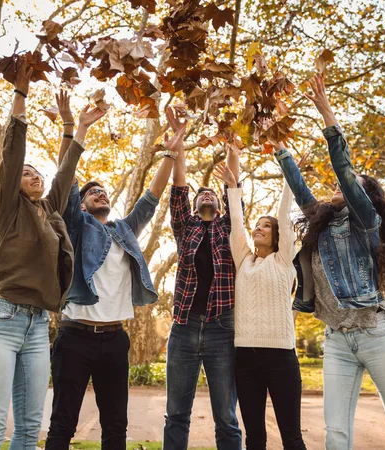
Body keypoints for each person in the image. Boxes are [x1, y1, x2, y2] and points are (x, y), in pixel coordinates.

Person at [278, 74, 385, 450]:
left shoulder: (367, 223)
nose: (340, 188)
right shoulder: (322, 223)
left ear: (367, 196)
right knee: (336, 434)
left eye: (351, 186)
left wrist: (327, 114)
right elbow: (300, 191)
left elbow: (345, 173)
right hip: (337, 339)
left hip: (376, 333)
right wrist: (281, 148)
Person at [0, 56, 104, 449]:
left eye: (37, 173)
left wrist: (76, 128)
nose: (34, 175)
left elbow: (64, 175)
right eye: (27, 174)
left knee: (30, 430)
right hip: (1, 319)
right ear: (14, 184)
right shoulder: (8, 210)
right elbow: (12, 155)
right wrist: (21, 94)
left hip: (36, 327)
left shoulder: (48, 212)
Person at [45, 107, 188, 450]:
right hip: (75, 337)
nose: (100, 192)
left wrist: (171, 149)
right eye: (92, 192)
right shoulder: (76, 228)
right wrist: (75, 128)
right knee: (63, 423)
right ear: (79, 205)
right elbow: (66, 181)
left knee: (115, 427)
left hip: (114, 340)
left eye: (104, 190)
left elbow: (151, 199)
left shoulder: (124, 230)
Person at [213, 159, 307, 450]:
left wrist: (289, 176)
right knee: (254, 438)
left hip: (281, 357)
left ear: (278, 236)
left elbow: (283, 213)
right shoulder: (244, 261)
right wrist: (232, 188)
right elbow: (237, 225)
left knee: (291, 436)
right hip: (246, 358)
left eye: (267, 226)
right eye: (258, 225)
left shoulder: (283, 260)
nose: (259, 228)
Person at [163, 119, 242, 449]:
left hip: (222, 327)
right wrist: (178, 144)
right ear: (195, 206)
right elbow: (179, 187)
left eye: (212, 193)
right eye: (201, 193)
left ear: (220, 204)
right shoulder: (185, 228)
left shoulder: (230, 227)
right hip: (183, 327)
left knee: (226, 416)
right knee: (177, 414)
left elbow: (235, 190)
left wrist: (233, 146)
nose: (206, 194)